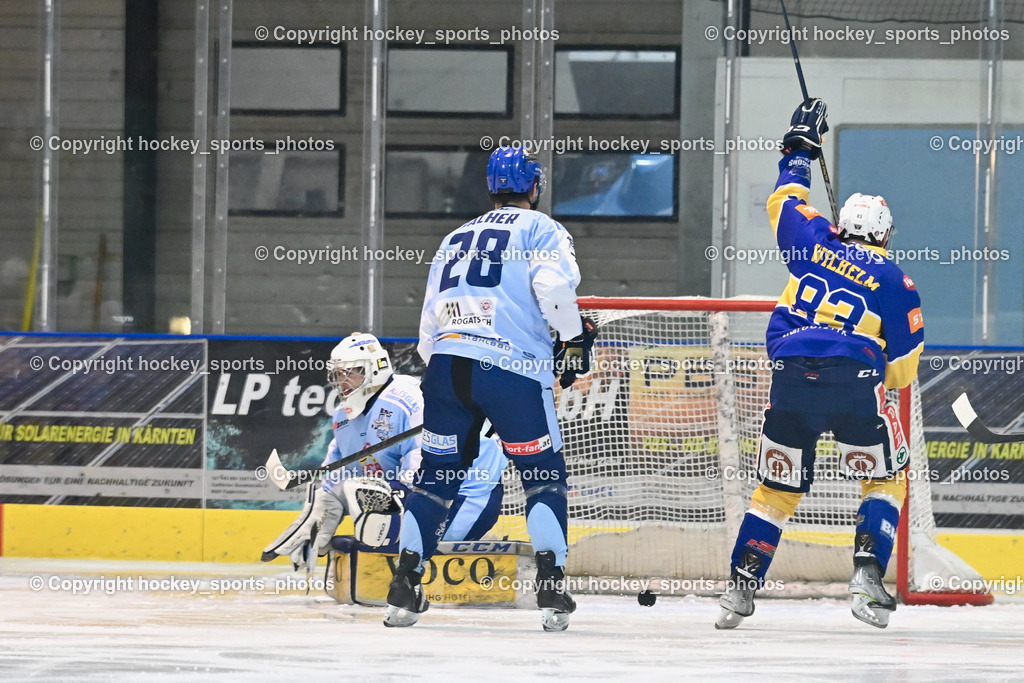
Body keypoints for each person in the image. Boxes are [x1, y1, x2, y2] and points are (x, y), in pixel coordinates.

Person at [716, 100, 924, 630]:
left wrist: (800, 145)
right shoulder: (897, 281)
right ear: (884, 234)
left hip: (790, 376)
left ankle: (740, 588)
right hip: (854, 382)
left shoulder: (812, 239)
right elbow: (903, 369)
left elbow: (785, 199)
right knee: (886, 478)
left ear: (841, 223)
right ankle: (866, 577)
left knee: (776, 491)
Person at [384, 147, 595, 631]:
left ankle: (404, 585)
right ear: (534, 187)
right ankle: (551, 588)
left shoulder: (454, 237)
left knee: (435, 481)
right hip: (511, 370)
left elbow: (428, 327)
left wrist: (454, 386)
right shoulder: (542, 228)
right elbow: (554, 291)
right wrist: (573, 339)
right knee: (543, 477)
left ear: (490, 188)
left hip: (445, 369)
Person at [261, 332, 506, 569]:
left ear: (374, 368)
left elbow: (423, 477)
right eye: (337, 375)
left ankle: (481, 554)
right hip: (422, 495)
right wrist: (322, 509)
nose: (342, 382)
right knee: (355, 495)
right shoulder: (342, 417)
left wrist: (384, 502)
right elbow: (336, 478)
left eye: (349, 373)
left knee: (389, 521)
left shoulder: (411, 400)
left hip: (467, 492)